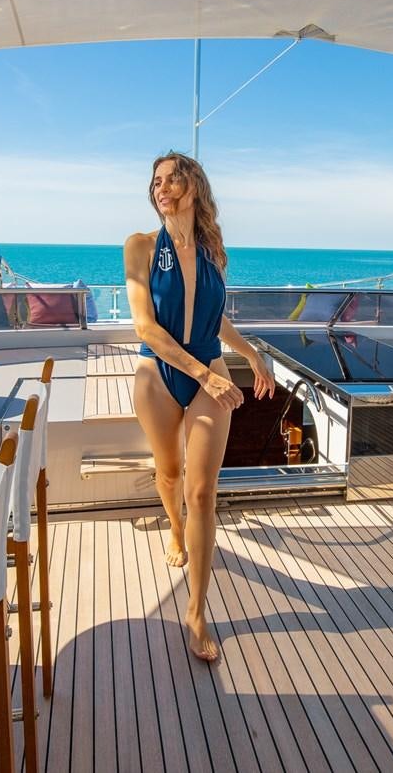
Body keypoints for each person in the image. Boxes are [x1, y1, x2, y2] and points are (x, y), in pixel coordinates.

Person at [124, 151, 273, 662]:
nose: (161, 188)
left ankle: (195, 611)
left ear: (195, 186)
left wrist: (250, 352)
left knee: (203, 491)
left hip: (210, 371)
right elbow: (145, 327)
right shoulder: (141, 246)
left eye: (172, 179)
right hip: (160, 375)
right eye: (156, 181)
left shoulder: (212, 250)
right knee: (169, 473)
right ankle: (172, 527)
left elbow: (215, 319)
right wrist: (204, 373)